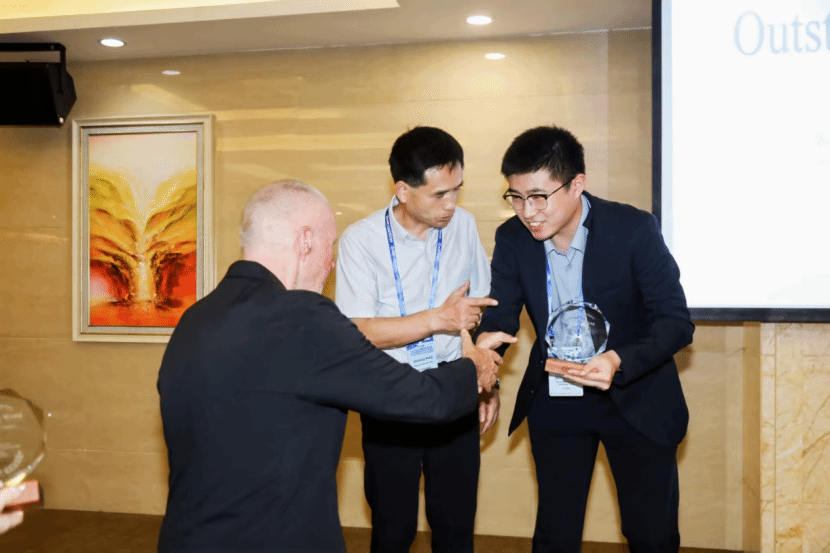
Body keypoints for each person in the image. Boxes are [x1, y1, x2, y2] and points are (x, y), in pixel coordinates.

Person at [156, 180, 500, 553]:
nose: (332, 263)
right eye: (329, 245)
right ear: (305, 240)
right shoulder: (305, 317)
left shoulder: (194, 320)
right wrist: (474, 367)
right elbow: (421, 399)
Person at [476, 126, 694, 552]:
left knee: (650, 534)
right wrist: (484, 363)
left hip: (635, 395)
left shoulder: (632, 229)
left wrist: (617, 360)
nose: (528, 212)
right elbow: (501, 317)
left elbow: (675, 322)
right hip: (558, 398)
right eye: (516, 197)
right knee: (555, 533)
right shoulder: (513, 238)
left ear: (576, 184)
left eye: (539, 197)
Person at [335, 126, 514, 553]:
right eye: (439, 194)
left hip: (453, 384)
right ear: (402, 190)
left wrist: (485, 384)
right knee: (393, 529)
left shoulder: (463, 225)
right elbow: (358, 331)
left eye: (457, 189)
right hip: (390, 392)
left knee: (455, 527)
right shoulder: (361, 241)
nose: (451, 204)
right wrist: (437, 319)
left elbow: (477, 309)